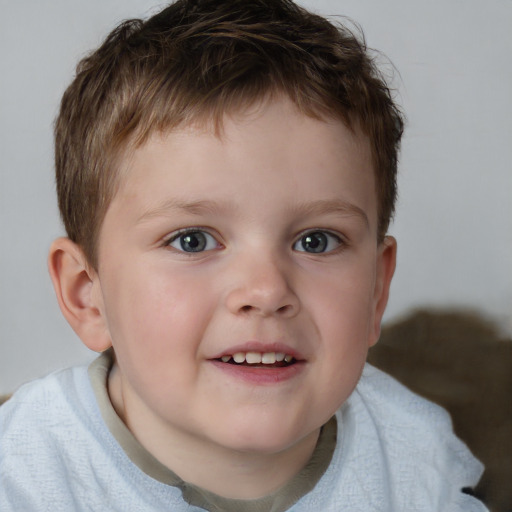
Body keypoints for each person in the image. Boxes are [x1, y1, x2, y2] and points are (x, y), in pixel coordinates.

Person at [0, 0, 488, 510]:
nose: (266, 290)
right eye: (192, 240)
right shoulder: (25, 478)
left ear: (375, 291)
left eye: (315, 240)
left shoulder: (416, 464)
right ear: (87, 295)